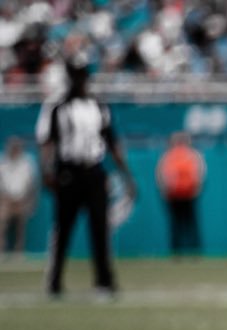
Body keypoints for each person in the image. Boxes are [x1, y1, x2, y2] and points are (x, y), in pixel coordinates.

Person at [37, 62, 137, 299]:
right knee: (63, 229)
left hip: (94, 171)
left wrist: (127, 175)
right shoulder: (57, 108)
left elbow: (112, 143)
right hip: (68, 172)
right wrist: (47, 172)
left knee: (100, 229)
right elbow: (47, 143)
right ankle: (54, 279)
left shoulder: (99, 107)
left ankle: (104, 279)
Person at [156, 132, 206, 257]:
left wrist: (164, 191)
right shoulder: (193, 155)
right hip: (188, 194)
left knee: (178, 224)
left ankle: (177, 251)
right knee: (189, 224)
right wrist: (196, 189)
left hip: (175, 195)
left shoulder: (168, 155)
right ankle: (194, 250)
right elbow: (200, 174)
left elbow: (160, 176)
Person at [0, 137, 38, 260]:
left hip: (22, 200)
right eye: (12, 147)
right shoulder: (2, 161)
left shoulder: (27, 163)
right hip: (5, 200)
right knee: (2, 224)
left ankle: (18, 253)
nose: (15, 149)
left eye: (17, 147)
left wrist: (30, 202)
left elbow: (32, 184)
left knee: (21, 228)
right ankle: (1, 251)